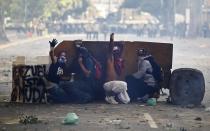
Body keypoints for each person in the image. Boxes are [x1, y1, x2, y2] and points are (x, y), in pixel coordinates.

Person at [103, 33, 130, 104]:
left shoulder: (119, 61)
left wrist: (122, 45)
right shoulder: (110, 60)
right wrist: (111, 39)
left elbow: (121, 53)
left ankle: (116, 97)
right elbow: (110, 51)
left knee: (126, 100)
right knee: (123, 84)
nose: (117, 54)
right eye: (115, 52)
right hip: (108, 84)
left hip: (115, 84)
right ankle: (109, 97)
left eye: (118, 52)